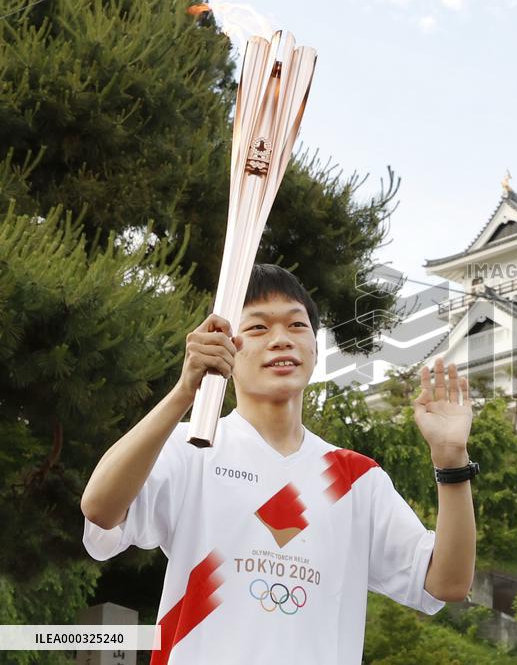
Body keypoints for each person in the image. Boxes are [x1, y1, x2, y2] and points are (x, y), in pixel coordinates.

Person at [80, 264, 478, 664]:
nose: (281, 339)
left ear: (314, 348)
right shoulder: (191, 447)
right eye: (257, 328)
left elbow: (447, 582)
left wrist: (452, 464)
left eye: (296, 325)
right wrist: (186, 391)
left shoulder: (356, 479)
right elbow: (99, 508)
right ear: (225, 347)